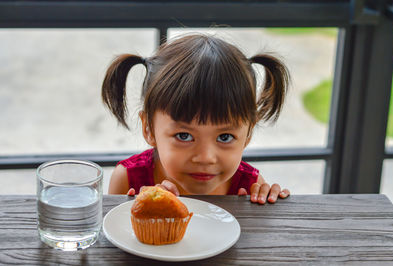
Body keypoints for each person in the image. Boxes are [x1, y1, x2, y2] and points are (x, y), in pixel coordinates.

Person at [102, 34, 290, 204]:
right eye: (184, 136)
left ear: (248, 133)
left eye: (225, 137)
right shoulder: (128, 180)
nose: (205, 158)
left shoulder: (249, 186)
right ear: (149, 129)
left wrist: (266, 202)